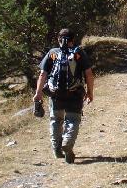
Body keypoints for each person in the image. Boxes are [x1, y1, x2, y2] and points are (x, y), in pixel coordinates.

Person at [33, 28, 94, 164]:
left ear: (58, 40)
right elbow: (89, 74)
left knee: (56, 120)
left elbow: (43, 74)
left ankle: (56, 149)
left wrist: (38, 93)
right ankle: (67, 142)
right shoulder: (79, 53)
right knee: (73, 120)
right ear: (73, 40)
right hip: (74, 93)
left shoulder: (52, 53)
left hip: (55, 95)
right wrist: (90, 92)